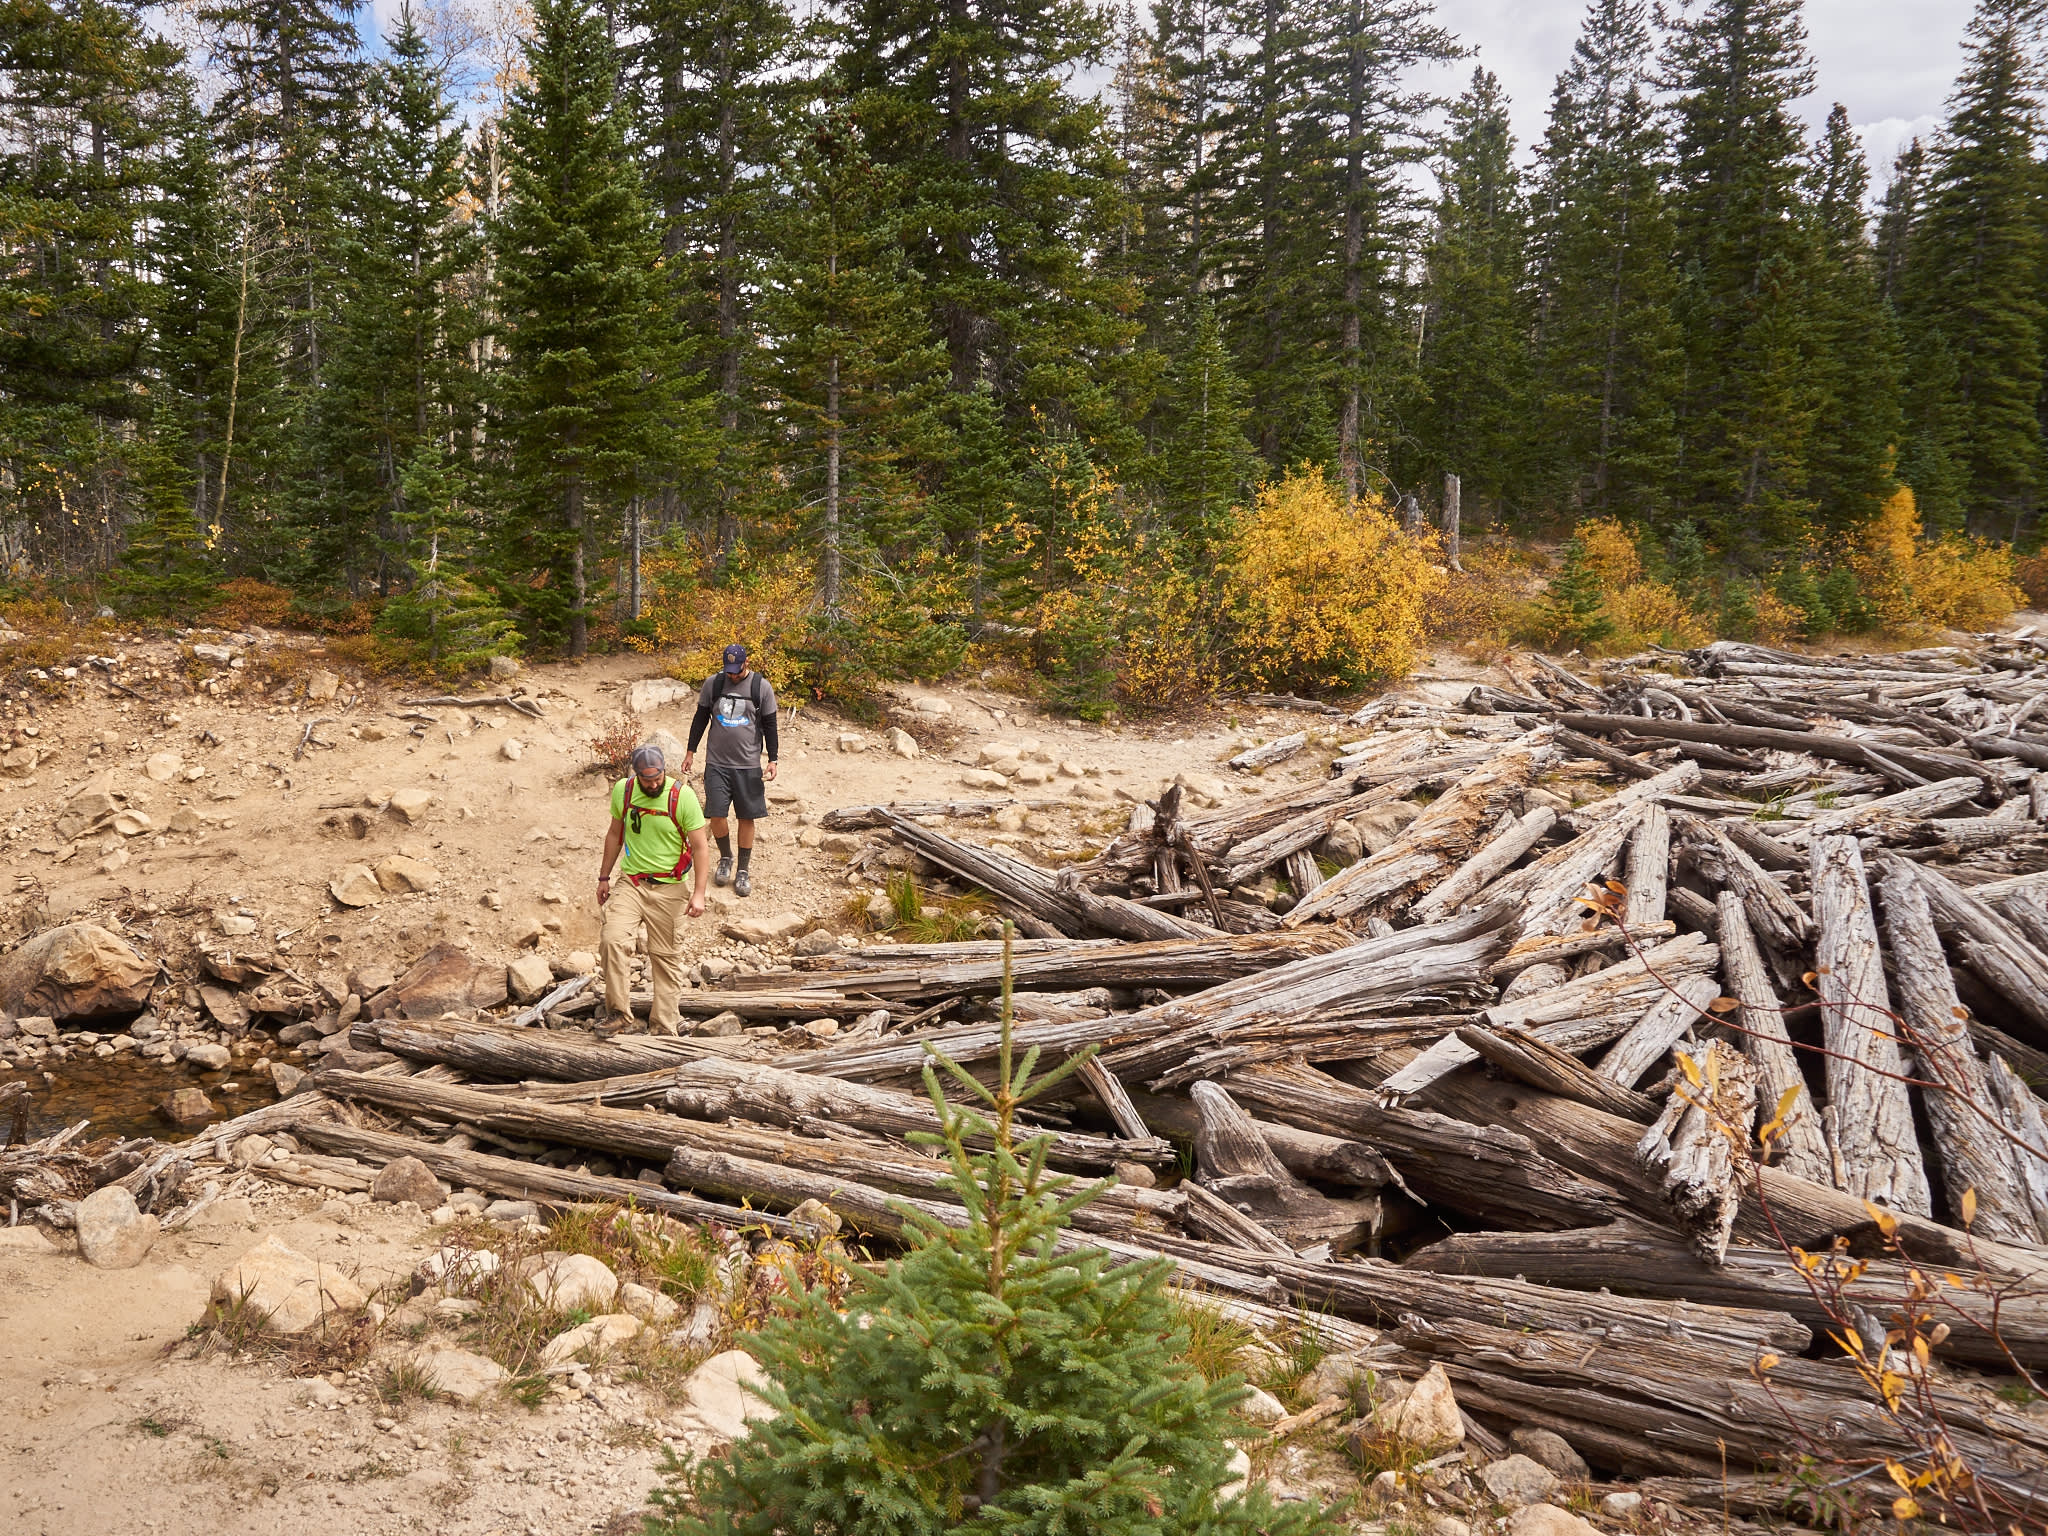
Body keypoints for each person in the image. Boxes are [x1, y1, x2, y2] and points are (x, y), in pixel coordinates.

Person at [596, 743, 710, 1036]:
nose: (653, 783)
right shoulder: (624, 790)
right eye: (647, 780)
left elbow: (700, 847)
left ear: (663, 770)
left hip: (670, 888)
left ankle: (664, 1025)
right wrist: (604, 877)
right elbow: (614, 834)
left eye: (657, 777)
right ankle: (619, 1014)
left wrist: (699, 892)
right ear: (636, 774)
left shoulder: (681, 797)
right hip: (632, 882)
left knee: (666, 957)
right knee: (613, 940)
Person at [681, 642, 778, 898]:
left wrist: (773, 759)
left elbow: (770, 725)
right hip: (717, 763)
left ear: (746, 663)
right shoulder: (714, 684)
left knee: (747, 817)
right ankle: (726, 857)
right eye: (729, 670)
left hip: (748, 765)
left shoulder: (761, 687)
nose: (732, 675)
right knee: (717, 816)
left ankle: (743, 871)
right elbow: (701, 718)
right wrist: (690, 751)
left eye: (736, 670)